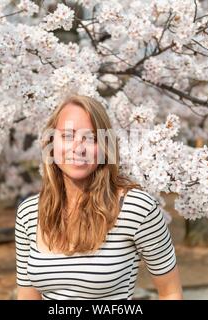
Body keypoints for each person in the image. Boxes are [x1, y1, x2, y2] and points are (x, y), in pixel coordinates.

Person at [15, 95, 183, 300]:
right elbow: (27, 295)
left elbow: (171, 292)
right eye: (67, 136)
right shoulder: (29, 213)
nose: (78, 148)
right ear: (50, 142)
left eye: (92, 138)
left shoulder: (136, 208)